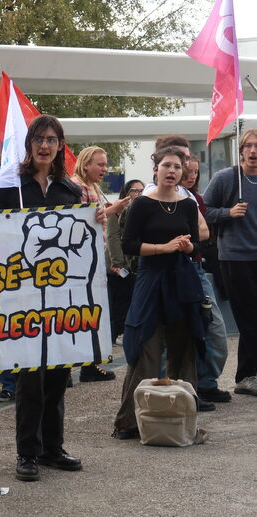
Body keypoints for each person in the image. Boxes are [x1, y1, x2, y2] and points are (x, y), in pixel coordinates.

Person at [0, 115, 105, 481]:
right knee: (30, 377)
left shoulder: (69, 191)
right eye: (38, 138)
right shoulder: (10, 185)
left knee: (58, 375)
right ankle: (27, 452)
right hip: (22, 296)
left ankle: (53, 448)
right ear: (29, 144)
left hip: (62, 296)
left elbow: (84, 238)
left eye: (52, 139)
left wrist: (96, 218)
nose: (44, 145)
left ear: (60, 146)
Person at [112, 147, 205, 439]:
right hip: (151, 278)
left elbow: (198, 247)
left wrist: (189, 248)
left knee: (183, 349)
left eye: (177, 167)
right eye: (167, 165)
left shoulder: (188, 205)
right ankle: (129, 421)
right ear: (156, 169)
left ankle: (182, 417)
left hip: (181, 280)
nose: (172, 171)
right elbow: (128, 245)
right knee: (145, 349)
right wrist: (162, 248)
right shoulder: (142, 204)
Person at [204, 128, 257, 397]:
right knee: (248, 317)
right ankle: (246, 376)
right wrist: (228, 212)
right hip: (236, 257)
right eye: (248, 146)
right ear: (241, 150)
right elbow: (203, 210)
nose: (253, 151)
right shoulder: (226, 178)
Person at [71, 146, 129, 382]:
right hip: (83, 261)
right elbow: (81, 220)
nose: (105, 169)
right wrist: (113, 209)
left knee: (92, 312)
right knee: (84, 312)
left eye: (105, 164)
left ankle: (89, 363)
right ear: (86, 164)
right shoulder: (78, 186)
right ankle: (83, 366)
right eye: (101, 164)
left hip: (91, 258)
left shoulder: (91, 187)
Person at [181, 156, 230, 404]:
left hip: (197, 267)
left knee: (214, 329)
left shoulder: (197, 199)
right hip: (174, 269)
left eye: (196, 173)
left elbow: (204, 233)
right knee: (178, 333)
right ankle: (182, 389)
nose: (191, 177)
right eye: (187, 171)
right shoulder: (158, 198)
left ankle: (207, 382)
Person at [106, 180, 144, 348]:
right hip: (119, 263)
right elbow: (113, 236)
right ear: (126, 193)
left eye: (141, 190)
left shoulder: (142, 210)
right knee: (121, 298)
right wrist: (118, 263)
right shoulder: (117, 209)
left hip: (135, 263)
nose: (138, 194)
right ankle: (120, 333)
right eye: (134, 190)